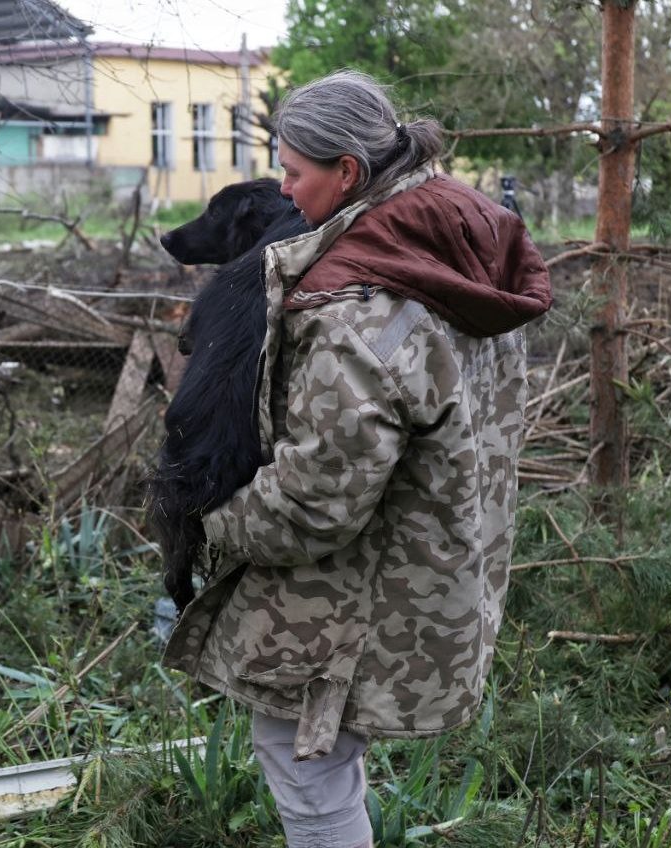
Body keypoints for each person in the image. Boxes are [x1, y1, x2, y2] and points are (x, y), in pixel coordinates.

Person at [162, 70, 552, 848]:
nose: (282, 185)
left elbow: (315, 502)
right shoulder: (464, 243)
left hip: (351, 591)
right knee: (331, 747)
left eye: (295, 170)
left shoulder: (355, 309)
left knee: (303, 757)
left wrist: (216, 524)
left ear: (348, 172)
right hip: (438, 561)